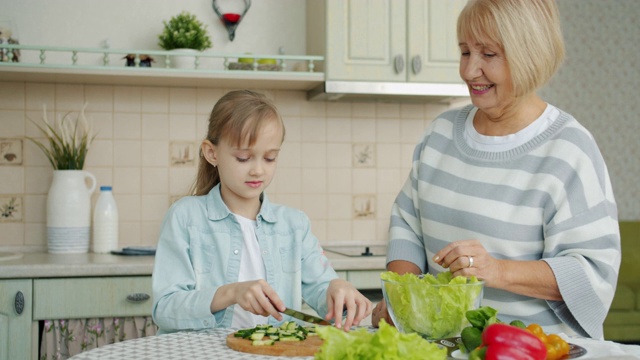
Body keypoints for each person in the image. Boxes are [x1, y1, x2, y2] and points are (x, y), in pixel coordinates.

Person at [372, 0, 620, 339]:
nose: (470, 70)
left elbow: (591, 273)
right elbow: (407, 224)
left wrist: (496, 270)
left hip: (532, 349)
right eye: (464, 52)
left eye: (488, 55)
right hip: (443, 348)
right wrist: (402, 298)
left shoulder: (569, 148)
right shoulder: (440, 133)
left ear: (528, 54)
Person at [152, 90, 372, 334]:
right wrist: (232, 292)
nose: (258, 170)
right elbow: (165, 309)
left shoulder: (294, 225)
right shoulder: (185, 217)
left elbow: (322, 290)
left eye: (269, 158)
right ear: (212, 153)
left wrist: (338, 289)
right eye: (243, 158)